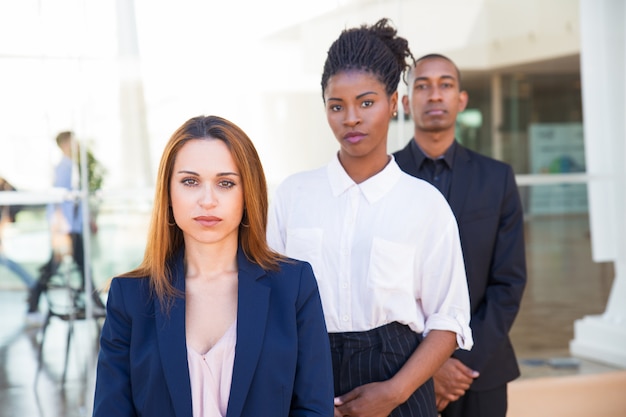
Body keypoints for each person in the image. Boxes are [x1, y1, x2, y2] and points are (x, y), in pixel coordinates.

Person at [267, 19, 473, 417]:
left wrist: (395, 392)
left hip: (399, 378)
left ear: (394, 103)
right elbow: (273, 305)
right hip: (309, 378)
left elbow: (448, 320)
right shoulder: (294, 195)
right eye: (336, 106)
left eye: (366, 102)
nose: (351, 119)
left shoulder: (425, 204)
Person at [92, 115, 334, 417]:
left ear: (248, 194)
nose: (207, 200)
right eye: (190, 181)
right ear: (168, 193)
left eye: (225, 183)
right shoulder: (130, 296)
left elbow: (313, 408)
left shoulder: (294, 287)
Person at [393, 53, 527, 417]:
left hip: (479, 371)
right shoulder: (382, 179)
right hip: (399, 372)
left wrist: (458, 363)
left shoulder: (496, 179)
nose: (434, 95)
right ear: (405, 102)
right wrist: (427, 366)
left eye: (445, 85)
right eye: (422, 86)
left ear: (461, 100)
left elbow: (508, 282)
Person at [27, 131, 105, 322]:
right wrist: (60, 228)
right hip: (66, 230)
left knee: (71, 265)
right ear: (64, 144)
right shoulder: (64, 167)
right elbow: (58, 199)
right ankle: (32, 303)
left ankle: (97, 305)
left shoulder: (71, 167)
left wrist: (87, 220)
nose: (76, 144)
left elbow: (76, 201)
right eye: (72, 141)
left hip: (72, 228)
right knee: (58, 267)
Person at [0, 176, 37, 291]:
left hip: (2, 226)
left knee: (5, 260)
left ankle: (32, 283)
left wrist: (7, 220)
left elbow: (12, 208)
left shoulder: (6, 187)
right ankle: (32, 283)